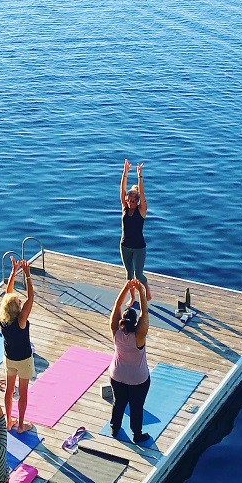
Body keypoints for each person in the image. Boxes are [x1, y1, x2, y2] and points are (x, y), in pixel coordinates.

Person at [108, 279, 151, 444]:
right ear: (135, 323)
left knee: (118, 402)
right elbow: (144, 314)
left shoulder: (115, 332)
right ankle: (137, 434)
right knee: (136, 406)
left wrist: (126, 288)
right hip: (137, 379)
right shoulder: (139, 337)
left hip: (117, 375)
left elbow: (116, 306)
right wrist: (141, 291)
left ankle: (114, 427)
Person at [0, 258, 35, 433]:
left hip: (9, 358)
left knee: (9, 390)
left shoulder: (3, 318)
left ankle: (8, 421)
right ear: (17, 308)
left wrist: (13, 272)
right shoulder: (21, 320)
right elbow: (31, 297)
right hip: (24, 360)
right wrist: (27, 274)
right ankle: (20, 425)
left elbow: (8, 294)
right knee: (23, 393)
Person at [120, 160, 151, 300]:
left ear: (137, 201)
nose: (130, 203)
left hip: (139, 247)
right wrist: (125, 173)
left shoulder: (141, 210)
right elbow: (122, 191)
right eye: (128, 200)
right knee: (129, 274)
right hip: (125, 245)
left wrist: (140, 176)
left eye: (133, 201)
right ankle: (132, 297)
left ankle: (146, 288)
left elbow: (142, 195)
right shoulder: (125, 208)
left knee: (138, 275)